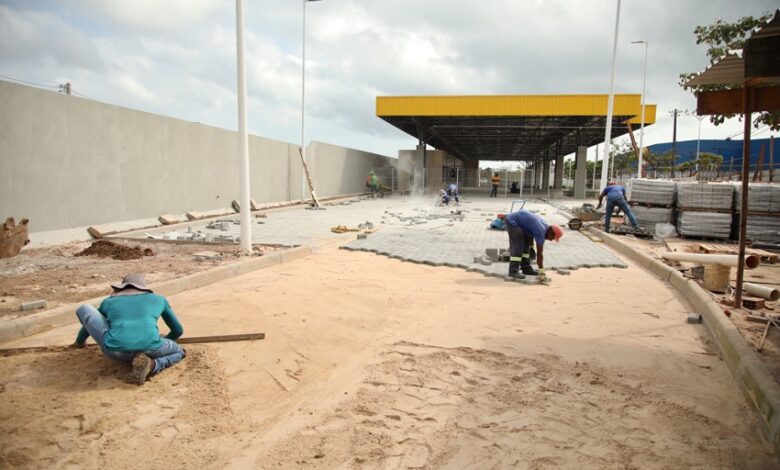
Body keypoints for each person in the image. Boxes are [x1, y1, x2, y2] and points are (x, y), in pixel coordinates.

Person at [73, 274, 185, 385]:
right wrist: (162, 341)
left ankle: (81, 343)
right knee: (180, 351)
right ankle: (153, 365)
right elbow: (178, 330)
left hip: (116, 351)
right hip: (152, 348)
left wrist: (79, 342)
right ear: (143, 288)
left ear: (121, 288)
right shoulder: (159, 299)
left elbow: (90, 324)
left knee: (85, 309)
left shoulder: (108, 302)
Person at [497, 211, 564, 281]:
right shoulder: (540, 231)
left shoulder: (545, 228)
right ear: (550, 232)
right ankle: (513, 271)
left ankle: (526, 268)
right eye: (553, 237)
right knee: (518, 245)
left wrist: (531, 246)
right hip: (513, 222)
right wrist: (541, 271)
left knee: (527, 244)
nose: (551, 240)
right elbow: (539, 253)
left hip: (522, 224)